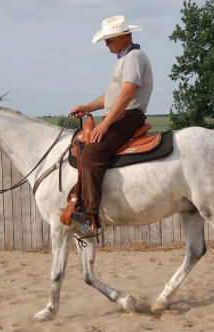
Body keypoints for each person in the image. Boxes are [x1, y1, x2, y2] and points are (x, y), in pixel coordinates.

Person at [69, 15, 153, 233]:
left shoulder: (134, 57)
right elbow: (110, 96)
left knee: (91, 154)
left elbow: (126, 95)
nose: (106, 45)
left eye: (109, 40)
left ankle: (90, 216)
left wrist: (105, 124)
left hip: (128, 117)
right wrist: (87, 107)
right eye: (105, 40)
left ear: (124, 37)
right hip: (121, 115)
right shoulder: (124, 59)